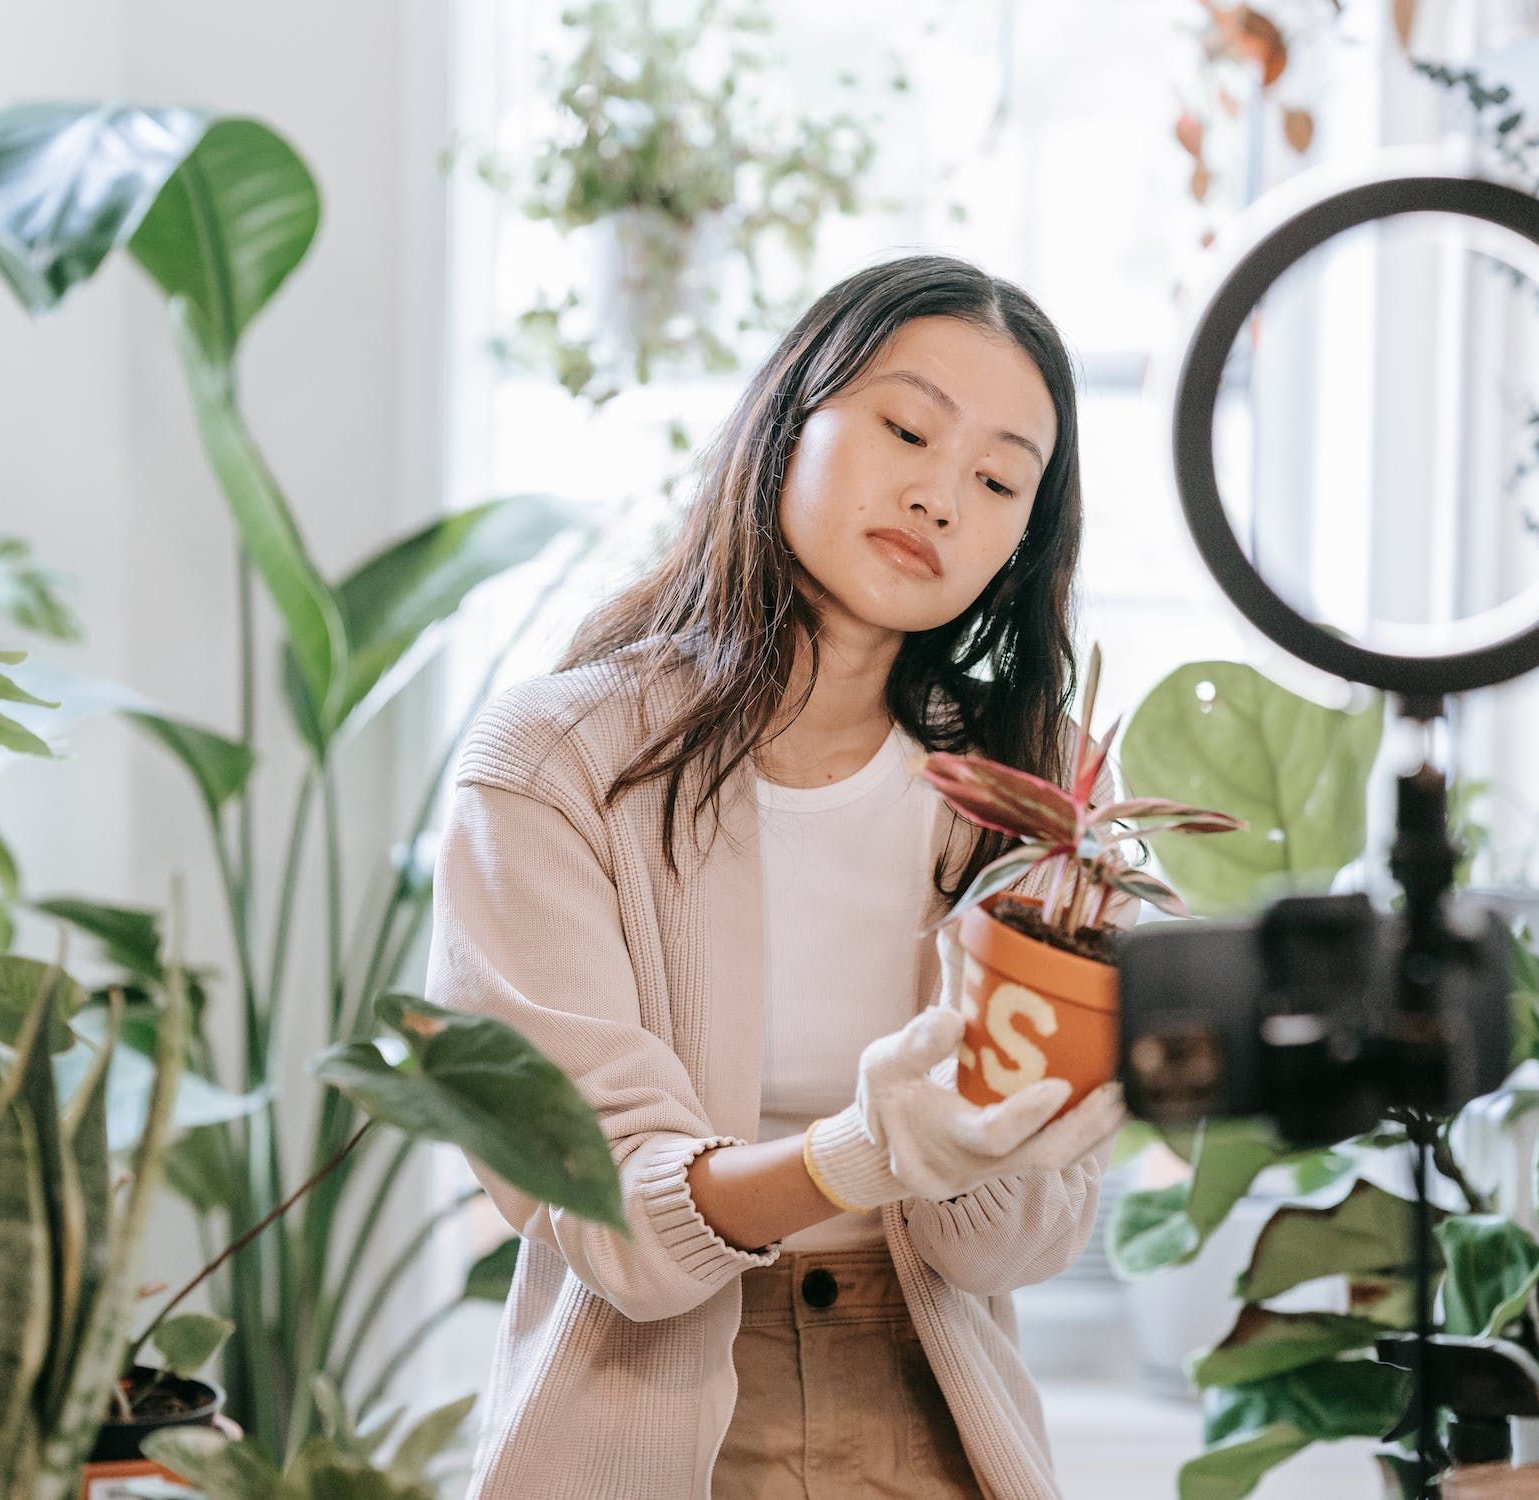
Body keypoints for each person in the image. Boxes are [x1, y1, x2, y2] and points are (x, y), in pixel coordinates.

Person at [431, 252, 1133, 1499]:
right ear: (786, 420)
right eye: (907, 429)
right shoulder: (553, 768)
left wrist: (1008, 1144)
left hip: (934, 1399)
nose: (936, 497)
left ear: (1021, 544)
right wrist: (860, 1157)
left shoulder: (1044, 799)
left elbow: (1020, 1245)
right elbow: (608, 1219)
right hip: (640, 1408)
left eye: (994, 479)